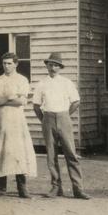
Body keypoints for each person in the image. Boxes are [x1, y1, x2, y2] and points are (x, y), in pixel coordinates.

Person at [33, 52, 91, 200]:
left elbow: (76, 101)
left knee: (71, 154)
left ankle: (78, 189)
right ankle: (56, 187)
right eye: (50, 64)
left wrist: (65, 115)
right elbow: (36, 105)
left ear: (60, 67)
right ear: (46, 65)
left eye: (56, 65)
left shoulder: (67, 83)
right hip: (48, 118)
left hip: (64, 117)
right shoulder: (41, 84)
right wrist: (45, 120)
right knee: (51, 155)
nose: (53, 68)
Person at [0, 52, 37, 199]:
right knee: (0, 151)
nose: (6, 66)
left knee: (19, 152)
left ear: (16, 64)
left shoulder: (22, 80)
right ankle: (0, 188)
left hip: (16, 122)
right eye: (4, 63)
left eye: (9, 63)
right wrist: (9, 98)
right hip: (2, 121)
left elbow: (21, 101)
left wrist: (1, 100)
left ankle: (22, 188)